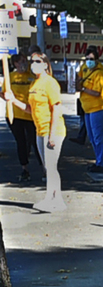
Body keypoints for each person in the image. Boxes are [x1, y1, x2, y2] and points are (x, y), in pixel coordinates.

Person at [6, 51, 65, 211]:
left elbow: (57, 107)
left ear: (45, 64)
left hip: (52, 130)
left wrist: (52, 134)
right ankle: (56, 199)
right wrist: (13, 100)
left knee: (51, 167)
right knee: (48, 167)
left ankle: (52, 199)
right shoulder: (34, 83)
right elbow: (29, 109)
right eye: (32, 62)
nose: (33, 65)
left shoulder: (50, 83)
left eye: (37, 61)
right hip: (40, 130)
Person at [4, 53, 41, 183]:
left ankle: (44, 168)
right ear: (15, 64)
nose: (24, 64)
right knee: (21, 141)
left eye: (25, 61)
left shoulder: (32, 77)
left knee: (34, 141)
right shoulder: (11, 77)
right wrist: (7, 98)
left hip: (30, 115)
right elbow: (4, 93)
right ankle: (24, 168)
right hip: (14, 115)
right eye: (21, 62)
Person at [77, 47, 103, 173]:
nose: (89, 61)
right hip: (87, 108)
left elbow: (97, 92)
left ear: (97, 59)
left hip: (98, 108)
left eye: (91, 59)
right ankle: (98, 161)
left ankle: (102, 163)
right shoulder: (84, 68)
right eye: (87, 59)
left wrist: (83, 88)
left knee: (98, 137)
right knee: (91, 137)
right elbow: (79, 78)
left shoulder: (100, 72)